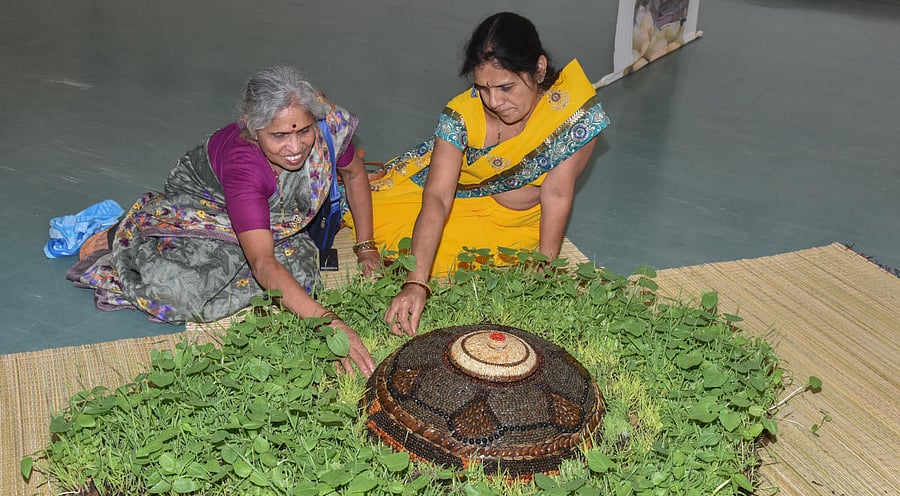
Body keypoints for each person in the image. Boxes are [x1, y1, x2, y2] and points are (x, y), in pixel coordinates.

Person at [68, 66, 377, 375]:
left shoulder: (325, 126)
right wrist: (330, 325)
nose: (295, 148)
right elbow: (263, 263)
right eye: (279, 136)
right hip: (204, 207)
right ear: (252, 129)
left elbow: (354, 174)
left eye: (304, 131)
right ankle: (132, 228)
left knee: (303, 276)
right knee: (180, 291)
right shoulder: (244, 165)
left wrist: (366, 247)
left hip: (267, 215)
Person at [355, 12, 610, 337]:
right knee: (392, 231)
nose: (494, 101)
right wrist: (416, 283)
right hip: (465, 199)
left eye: (506, 87)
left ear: (539, 68)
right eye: (483, 89)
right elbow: (437, 197)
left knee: (454, 259)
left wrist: (544, 273)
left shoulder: (572, 113)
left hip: (524, 224)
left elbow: (557, 193)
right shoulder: (462, 114)